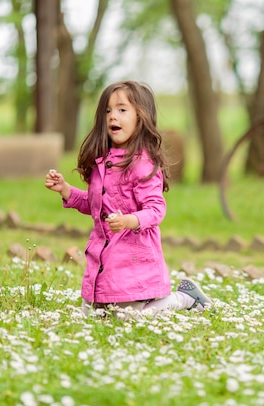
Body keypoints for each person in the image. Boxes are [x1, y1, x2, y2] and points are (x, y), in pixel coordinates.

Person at [45, 80, 211, 319]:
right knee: (91, 314)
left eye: (122, 110)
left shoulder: (141, 163)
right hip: (105, 257)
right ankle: (131, 305)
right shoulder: (102, 161)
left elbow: (156, 209)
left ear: (140, 118)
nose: (113, 116)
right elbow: (96, 206)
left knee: (127, 316)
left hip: (132, 255)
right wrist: (65, 190)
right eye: (108, 110)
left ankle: (185, 298)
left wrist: (129, 220)